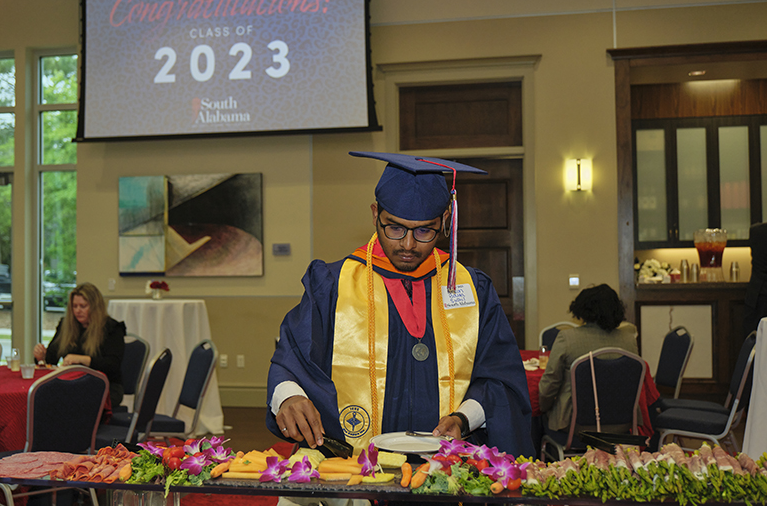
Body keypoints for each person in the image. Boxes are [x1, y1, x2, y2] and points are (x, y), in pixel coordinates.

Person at [266, 151, 534, 458]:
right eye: (394, 228)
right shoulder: (332, 284)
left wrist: (463, 418)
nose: (408, 244)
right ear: (374, 214)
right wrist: (289, 396)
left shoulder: (474, 289)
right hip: (356, 469)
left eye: (424, 230)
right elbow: (291, 359)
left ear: (445, 221)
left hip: (446, 465)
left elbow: (499, 378)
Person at [537, 283, 640, 432]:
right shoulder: (629, 339)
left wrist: (543, 407)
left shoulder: (567, 338)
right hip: (622, 423)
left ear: (581, 309)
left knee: (538, 420)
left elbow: (550, 383)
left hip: (576, 425)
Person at [34, 282, 126, 407]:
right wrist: (41, 358)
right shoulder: (66, 326)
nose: (78, 311)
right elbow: (51, 359)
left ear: (95, 307)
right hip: (72, 384)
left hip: (106, 386)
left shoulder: (112, 329)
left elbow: (113, 365)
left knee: (70, 403)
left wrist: (82, 360)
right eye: (74, 306)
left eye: (83, 306)